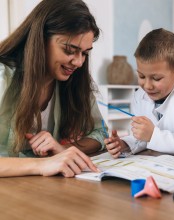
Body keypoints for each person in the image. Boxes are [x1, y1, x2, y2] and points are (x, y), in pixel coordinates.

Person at [0, 0, 105, 177]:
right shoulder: (3, 77)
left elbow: (100, 133)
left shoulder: (75, 81)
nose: (79, 62)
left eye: (85, 53)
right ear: (40, 39)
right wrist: (41, 164)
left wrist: (62, 149)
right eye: (70, 50)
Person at [105, 28, 174, 158]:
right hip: (158, 166)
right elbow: (144, 139)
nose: (147, 86)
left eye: (156, 78)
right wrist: (124, 144)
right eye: (142, 76)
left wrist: (153, 135)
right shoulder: (139, 96)